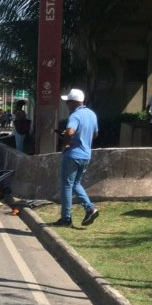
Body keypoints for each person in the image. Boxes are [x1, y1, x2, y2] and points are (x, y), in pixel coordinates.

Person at [52, 89, 99, 227]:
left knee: (67, 185)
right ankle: (89, 208)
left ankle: (66, 218)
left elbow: (70, 131)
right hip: (86, 154)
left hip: (73, 154)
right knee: (76, 183)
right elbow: (95, 134)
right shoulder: (91, 114)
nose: (67, 105)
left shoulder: (75, 115)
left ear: (74, 102)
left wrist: (66, 143)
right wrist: (81, 137)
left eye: (68, 102)